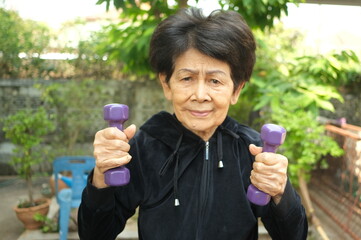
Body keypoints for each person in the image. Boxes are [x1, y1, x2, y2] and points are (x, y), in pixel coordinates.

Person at [78, 7, 308, 240]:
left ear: (236, 90)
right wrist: (101, 177)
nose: (200, 95)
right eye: (187, 78)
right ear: (167, 85)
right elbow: (94, 234)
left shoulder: (253, 152)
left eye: (215, 80)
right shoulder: (143, 148)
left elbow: (294, 236)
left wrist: (281, 193)